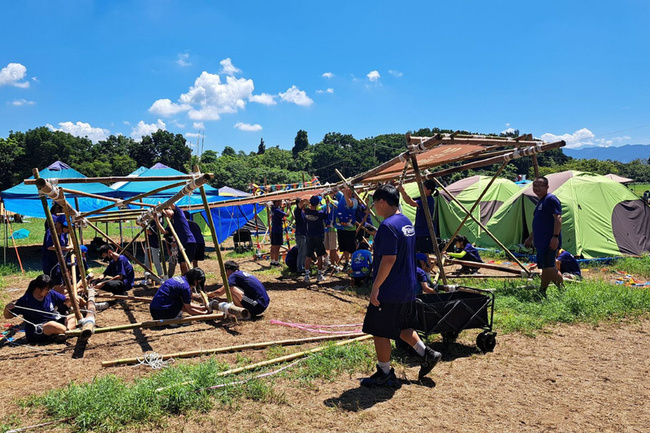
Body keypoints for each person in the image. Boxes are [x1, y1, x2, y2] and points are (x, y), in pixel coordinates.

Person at [361, 184, 441, 387]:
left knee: (379, 329)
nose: (374, 209)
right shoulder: (405, 222)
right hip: (407, 286)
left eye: (374, 204)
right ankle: (427, 353)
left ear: (381, 202)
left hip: (390, 287)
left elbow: (388, 259)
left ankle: (384, 372)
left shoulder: (388, 226)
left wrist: (376, 286)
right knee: (402, 327)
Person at [3, 274, 75, 343]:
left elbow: (65, 299)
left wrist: (71, 299)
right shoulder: (26, 300)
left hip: (54, 321)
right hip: (38, 329)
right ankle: (66, 332)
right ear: (37, 289)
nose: (48, 291)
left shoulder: (50, 293)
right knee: (52, 325)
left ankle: (63, 333)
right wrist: (7, 308)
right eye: (46, 289)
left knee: (73, 317)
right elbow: (8, 316)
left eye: (50, 289)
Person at [524, 176, 564, 295]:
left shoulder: (551, 199)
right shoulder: (541, 201)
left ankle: (563, 291)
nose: (537, 188)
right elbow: (539, 223)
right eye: (535, 185)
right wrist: (530, 238)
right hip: (540, 241)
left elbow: (558, 218)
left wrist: (555, 237)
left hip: (549, 240)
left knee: (550, 268)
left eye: (541, 185)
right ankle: (542, 291)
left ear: (547, 187)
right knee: (545, 268)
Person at [398, 180, 438, 254]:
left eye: (423, 188)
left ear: (429, 191)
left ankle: (426, 265)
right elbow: (410, 200)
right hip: (420, 230)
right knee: (419, 252)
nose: (421, 189)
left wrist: (403, 192)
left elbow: (412, 203)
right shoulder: (422, 198)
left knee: (424, 253)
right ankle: (424, 265)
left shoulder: (428, 200)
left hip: (425, 231)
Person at [163, 205, 196, 275]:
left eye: (167, 212)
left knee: (186, 264)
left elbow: (171, 203)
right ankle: (184, 280)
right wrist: (156, 220)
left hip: (188, 241)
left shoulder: (179, 213)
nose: (167, 215)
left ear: (171, 209)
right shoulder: (172, 222)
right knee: (182, 264)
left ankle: (189, 281)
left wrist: (162, 205)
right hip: (181, 244)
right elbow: (164, 232)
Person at [304, 195, 328, 283]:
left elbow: (303, 206)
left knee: (308, 255)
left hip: (309, 235)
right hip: (318, 236)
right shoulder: (320, 213)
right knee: (319, 255)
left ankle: (307, 275)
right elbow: (327, 215)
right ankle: (319, 274)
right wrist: (328, 204)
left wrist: (306, 202)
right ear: (318, 203)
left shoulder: (306, 211)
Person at [334, 187, 358, 267]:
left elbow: (350, 204)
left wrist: (345, 194)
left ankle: (354, 261)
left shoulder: (354, 200)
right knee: (343, 247)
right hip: (340, 226)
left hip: (350, 228)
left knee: (351, 247)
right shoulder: (342, 196)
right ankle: (347, 261)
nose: (346, 190)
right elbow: (335, 190)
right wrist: (339, 187)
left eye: (348, 189)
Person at [324, 192, 339, 269]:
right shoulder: (323, 205)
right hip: (326, 229)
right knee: (327, 248)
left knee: (333, 248)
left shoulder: (335, 203)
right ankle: (332, 264)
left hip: (333, 228)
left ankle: (337, 264)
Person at [293, 198, 308, 275]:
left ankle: (303, 267)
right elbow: (301, 203)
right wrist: (304, 198)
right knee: (301, 252)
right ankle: (300, 268)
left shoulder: (303, 211)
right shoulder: (297, 210)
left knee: (304, 252)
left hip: (304, 233)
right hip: (300, 234)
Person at [269, 200, 286, 266]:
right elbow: (286, 215)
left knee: (273, 246)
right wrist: (288, 208)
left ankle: (272, 260)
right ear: (277, 202)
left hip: (273, 229)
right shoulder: (277, 210)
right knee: (277, 247)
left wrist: (282, 208)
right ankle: (276, 262)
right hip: (278, 230)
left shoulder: (273, 209)